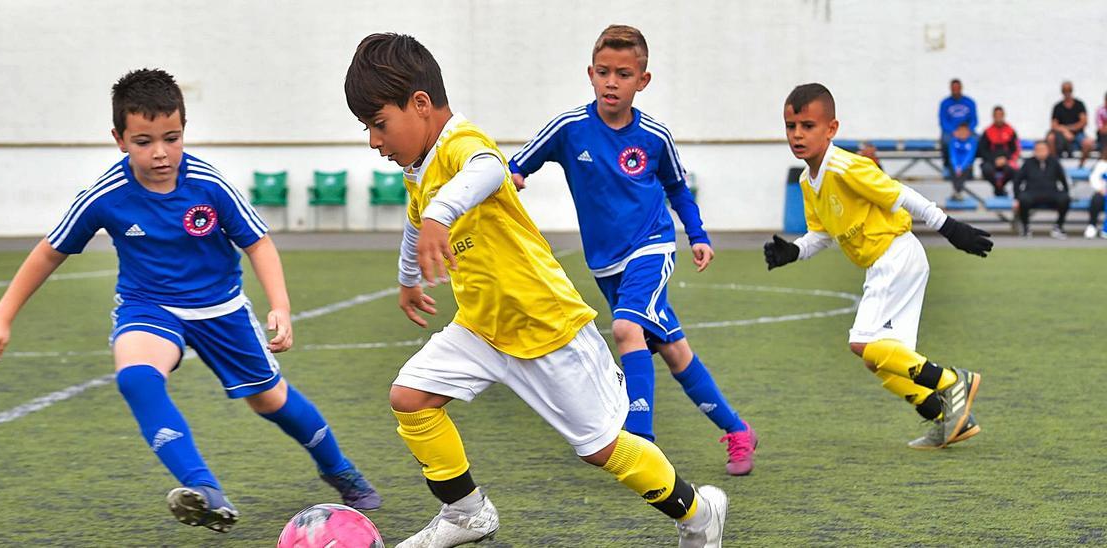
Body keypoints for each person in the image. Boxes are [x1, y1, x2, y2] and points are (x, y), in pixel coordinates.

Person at [343, 33, 727, 548]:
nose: (373, 140)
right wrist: (408, 278)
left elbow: (487, 170)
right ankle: (466, 512)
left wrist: (442, 212)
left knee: (604, 449)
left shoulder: (462, 144)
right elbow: (418, 221)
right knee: (410, 398)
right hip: (482, 327)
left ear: (419, 104)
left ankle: (700, 515)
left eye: (378, 124)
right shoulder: (420, 168)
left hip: (546, 326)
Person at [0, 69, 379, 534]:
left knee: (270, 400)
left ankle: (339, 468)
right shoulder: (105, 196)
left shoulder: (207, 184)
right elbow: (49, 252)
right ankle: (204, 490)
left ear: (184, 130)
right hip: (148, 306)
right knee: (137, 379)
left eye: (172, 137)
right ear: (119, 139)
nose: (161, 152)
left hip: (221, 309)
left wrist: (279, 306)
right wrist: (0, 318)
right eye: (144, 141)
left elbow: (259, 243)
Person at [508, 25, 757, 476]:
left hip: (652, 247)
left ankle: (640, 438)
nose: (611, 81)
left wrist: (697, 235)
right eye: (603, 72)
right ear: (590, 74)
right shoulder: (569, 129)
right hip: (605, 263)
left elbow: (678, 190)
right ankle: (738, 430)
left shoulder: (655, 137)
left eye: (623, 74)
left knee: (625, 330)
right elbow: (517, 164)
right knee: (674, 349)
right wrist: (514, 179)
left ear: (642, 80)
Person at [765, 83, 991, 450]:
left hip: (895, 255)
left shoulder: (847, 166)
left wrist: (950, 228)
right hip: (885, 263)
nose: (798, 135)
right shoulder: (810, 180)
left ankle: (952, 382)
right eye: (791, 126)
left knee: (862, 343)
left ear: (831, 129)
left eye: (808, 125)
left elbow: (900, 193)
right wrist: (793, 252)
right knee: (881, 359)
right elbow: (821, 234)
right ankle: (946, 418)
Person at [1013, 141, 1071, 239]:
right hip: (1032, 193)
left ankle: (1058, 227)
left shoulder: (1054, 162)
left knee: (1065, 198)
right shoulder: (1028, 162)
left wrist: (1066, 192)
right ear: (1034, 151)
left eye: (1043, 150)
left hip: (1051, 192)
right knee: (1023, 199)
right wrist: (1017, 197)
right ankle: (1026, 227)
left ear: (1048, 151)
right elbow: (1017, 181)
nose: (1041, 152)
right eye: (1038, 150)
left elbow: (1063, 179)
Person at [1047, 81, 1093, 167]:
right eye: (1065, 90)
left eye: (1069, 90)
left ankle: (1081, 166)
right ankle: (1054, 165)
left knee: (1088, 143)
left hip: (1078, 134)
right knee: (1050, 138)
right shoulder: (1058, 107)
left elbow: (1084, 122)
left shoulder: (1079, 105)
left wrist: (1070, 129)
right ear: (1062, 92)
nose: (1067, 92)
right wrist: (1065, 131)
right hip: (1061, 135)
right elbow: (1054, 125)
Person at [978, 105, 1020, 197]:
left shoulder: (1010, 130)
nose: (998, 117)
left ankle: (1016, 197)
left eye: (1000, 115)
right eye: (996, 115)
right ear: (993, 116)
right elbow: (983, 150)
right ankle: (999, 189)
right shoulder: (987, 131)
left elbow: (1015, 149)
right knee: (986, 169)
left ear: (1004, 115)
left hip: (1006, 161)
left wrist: (1005, 159)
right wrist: (994, 160)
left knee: (1014, 171)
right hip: (991, 161)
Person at [938, 79, 977, 171]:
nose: (955, 90)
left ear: (961, 88)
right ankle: (948, 166)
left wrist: (967, 130)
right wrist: (954, 131)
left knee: (976, 140)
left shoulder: (969, 102)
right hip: (951, 132)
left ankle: (969, 167)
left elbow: (974, 120)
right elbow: (943, 121)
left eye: (957, 88)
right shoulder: (945, 103)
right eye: (953, 88)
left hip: (966, 131)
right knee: (946, 141)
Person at [947, 122, 978, 200]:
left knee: (966, 169)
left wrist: (961, 167)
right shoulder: (953, 141)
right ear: (957, 132)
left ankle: (957, 191)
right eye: (961, 131)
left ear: (969, 132)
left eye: (965, 131)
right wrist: (956, 167)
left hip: (966, 167)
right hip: (955, 167)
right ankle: (958, 192)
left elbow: (970, 157)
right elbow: (952, 155)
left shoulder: (972, 141)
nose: (962, 133)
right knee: (951, 167)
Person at [1087, 159, 1107, 239]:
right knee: (1096, 200)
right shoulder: (1101, 164)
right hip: (1102, 193)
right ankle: (1092, 225)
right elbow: (1093, 178)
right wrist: (1100, 189)